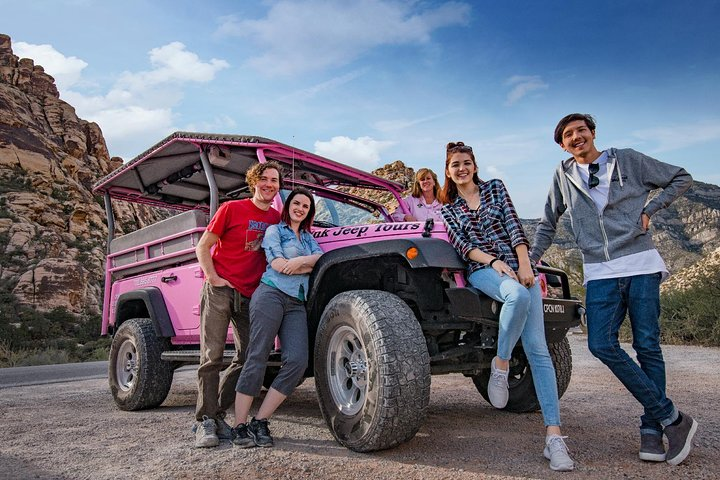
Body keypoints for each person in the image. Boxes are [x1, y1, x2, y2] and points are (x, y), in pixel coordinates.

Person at [530, 113, 697, 466]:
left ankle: (652, 430)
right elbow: (548, 222)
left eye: (581, 131)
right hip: (599, 269)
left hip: (640, 263)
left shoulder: (629, 160)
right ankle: (674, 419)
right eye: (568, 135)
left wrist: (653, 208)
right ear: (561, 144)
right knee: (601, 343)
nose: (576, 137)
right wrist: (529, 261)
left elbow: (681, 177)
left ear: (592, 133)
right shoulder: (563, 176)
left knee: (647, 346)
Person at [440, 141, 574, 472]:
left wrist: (526, 264)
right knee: (516, 295)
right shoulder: (448, 209)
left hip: (518, 264)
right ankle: (500, 364)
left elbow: (514, 226)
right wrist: (495, 261)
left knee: (539, 352)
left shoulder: (496, 189)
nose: (462, 168)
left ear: (474, 165)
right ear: (448, 170)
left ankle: (554, 438)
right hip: (483, 270)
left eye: (467, 162)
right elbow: (463, 246)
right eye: (455, 164)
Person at [193, 161, 283, 448]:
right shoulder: (231, 209)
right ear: (254, 181)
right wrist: (213, 277)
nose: (270, 184)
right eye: (265, 179)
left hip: (251, 295)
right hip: (220, 290)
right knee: (212, 356)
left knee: (247, 357)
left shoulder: (278, 218)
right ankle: (206, 421)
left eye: (275, 180)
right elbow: (203, 246)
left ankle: (217, 412)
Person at [231, 187, 323, 448]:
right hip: (271, 294)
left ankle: (259, 421)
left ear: (309, 212)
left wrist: (299, 262)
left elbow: (321, 258)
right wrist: (304, 264)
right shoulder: (275, 231)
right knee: (257, 355)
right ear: (288, 206)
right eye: (297, 203)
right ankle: (239, 425)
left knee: (297, 361)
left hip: (296, 302)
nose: (300, 209)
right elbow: (278, 265)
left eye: (305, 206)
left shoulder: (308, 237)